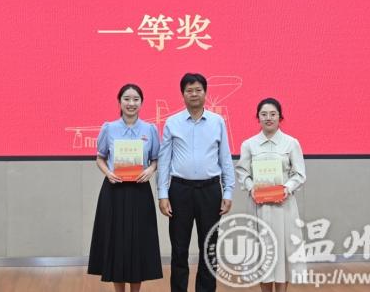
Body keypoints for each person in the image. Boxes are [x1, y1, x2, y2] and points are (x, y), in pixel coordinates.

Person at [157, 73, 235, 292]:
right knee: (179, 248)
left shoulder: (217, 122)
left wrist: (228, 191)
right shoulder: (172, 122)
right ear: (182, 94)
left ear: (205, 93)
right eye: (189, 90)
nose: (194, 94)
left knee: (209, 247)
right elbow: (164, 161)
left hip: (210, 190)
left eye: (198, 90)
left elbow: (225, 158)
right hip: (179, 190)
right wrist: (162, 194)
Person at [88, 84, 163, 292]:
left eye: (136, 99)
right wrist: (108, 173)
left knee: (137, 242)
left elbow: (156, 159)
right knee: (116, 242)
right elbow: (100, 158)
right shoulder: (109, 128)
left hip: (140, 192)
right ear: (119, 101)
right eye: (127, 99)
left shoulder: (150, 129)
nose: (131, 103)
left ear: (142, 102)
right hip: (114, 191)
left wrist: (151, 170)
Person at [235, 98, 307, 292]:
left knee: (283, 252)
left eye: (273, 114)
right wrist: (251, 187)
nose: (268, 118)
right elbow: (242, 172)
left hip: (284, 206)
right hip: (259, 207)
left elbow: (299, 174)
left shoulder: (291, 143)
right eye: (264, 114)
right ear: (258, 117)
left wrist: (287, 188)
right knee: (262, 252)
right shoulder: (249, 144)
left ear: (280, 117)